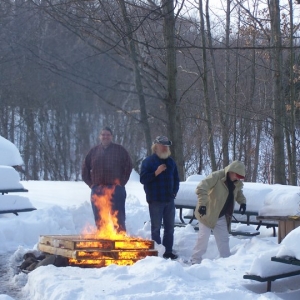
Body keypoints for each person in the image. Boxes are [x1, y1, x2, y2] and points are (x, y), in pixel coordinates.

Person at [191, 160, 247, 264]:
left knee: (224, 239)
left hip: (221, 216)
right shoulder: (217, 176)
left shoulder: (236, 183)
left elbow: (238, 192)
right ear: (231, 171)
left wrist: (242, 202)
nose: (237, 179)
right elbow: (201, 187)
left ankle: (225, 262)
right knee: (203, 239)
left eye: (240, 178)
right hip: (207, 214)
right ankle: (195, 260)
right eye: (237, 176)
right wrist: (202, 204)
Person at [81, 127, 132, 233]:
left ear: (111, 136)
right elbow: (85, 168)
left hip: (116, 189)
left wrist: (122, 183)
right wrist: (91, 185)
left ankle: (120, 241)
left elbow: (129, 166)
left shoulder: (120, 150)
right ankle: (103, 241)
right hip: (98, 189)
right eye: (103, 135)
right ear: (100, 136)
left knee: (118, 218)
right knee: (99, 218)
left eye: (108, 135)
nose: (105, 137)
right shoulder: (94, 151)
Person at [140, 136, 180, 260]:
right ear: (156, 146)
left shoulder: (171, 161)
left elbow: (176, 179)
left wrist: (174, 192)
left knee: (169, 228)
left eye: (166, 146)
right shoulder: (148, 161)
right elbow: (143, 179)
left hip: (169, 200)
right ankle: (156, 252)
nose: (165, 147)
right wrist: (156, 173)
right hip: (155, 200)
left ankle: (168, 251)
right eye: (162, 145)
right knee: (156, 228)